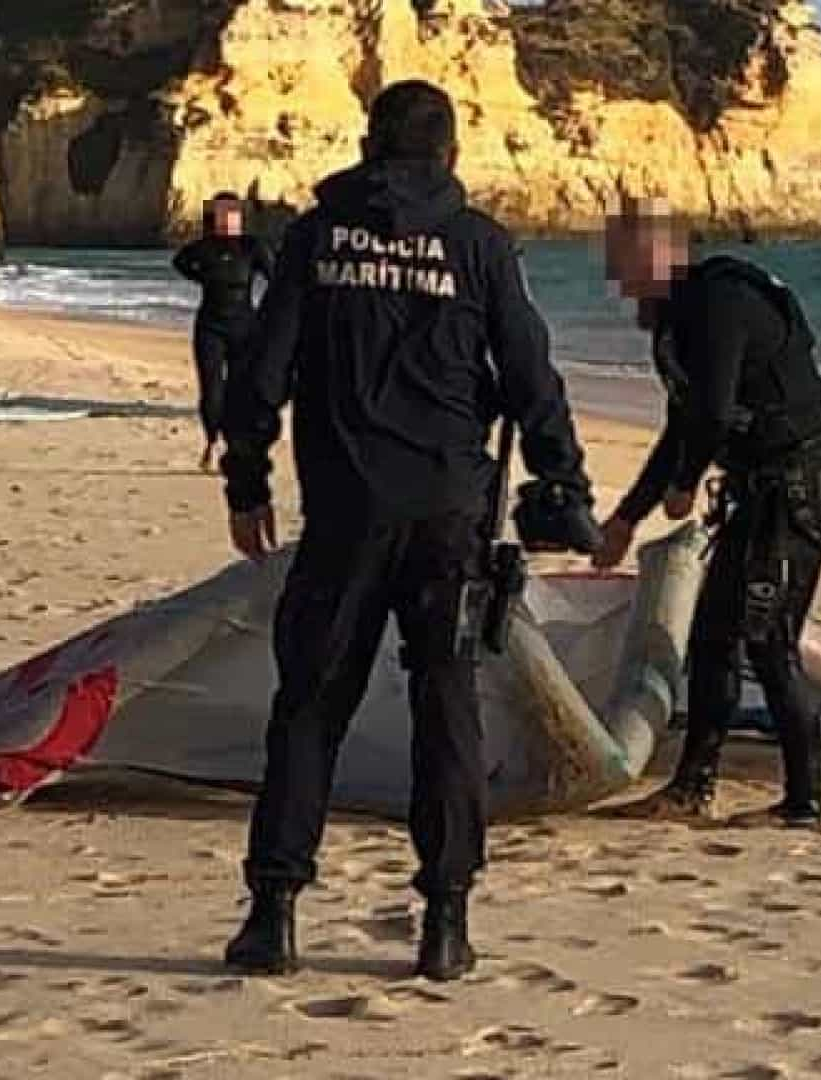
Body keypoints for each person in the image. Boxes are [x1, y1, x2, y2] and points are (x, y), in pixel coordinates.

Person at [218, 80, 600, 981]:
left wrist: (246, 475)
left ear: (367, 143)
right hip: (448, 518)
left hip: (344, 515)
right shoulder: (478, 246)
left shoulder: (317, 239)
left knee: (309, 707)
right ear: (450, 153)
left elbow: (261, 369)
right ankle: (446, 922)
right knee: (446, 710)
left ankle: (273, 914)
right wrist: (563, 476)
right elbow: (531, 372)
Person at [592, 197, 821, 830]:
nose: (618, 279)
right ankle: (692, 789)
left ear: (664, 252)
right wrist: (629, 517)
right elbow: (681, 426)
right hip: (758, 490)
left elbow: (710, 415)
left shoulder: (720, 300)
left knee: (769, 642)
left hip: (801, 489)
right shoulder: (675, 322)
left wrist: (684, 485)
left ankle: (805, 802)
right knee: (712, 639)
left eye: (625, 261)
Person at [172, 193, 275, 472]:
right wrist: (204, 277)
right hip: (210, 327)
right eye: (222, 214)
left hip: (245, 327)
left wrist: (270, 318)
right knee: (212, 388)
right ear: (213, 218)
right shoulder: (203, 248)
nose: (228, 219)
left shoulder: (252, 247)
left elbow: (276, 280)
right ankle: (211, 440)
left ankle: (237, 443)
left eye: (233, 214)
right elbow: (180, 262)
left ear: (240, 217)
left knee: (240, 389)